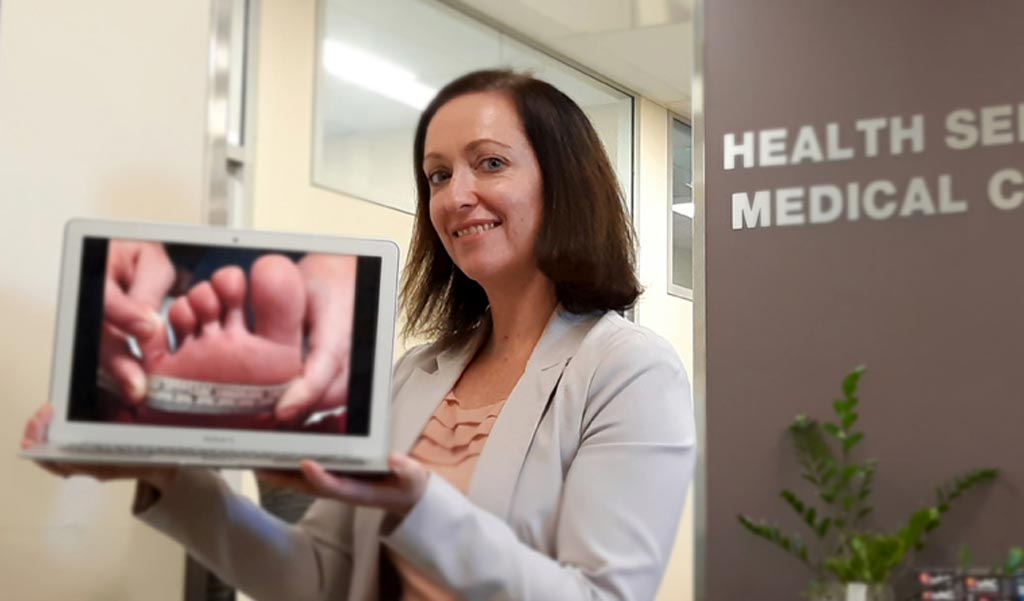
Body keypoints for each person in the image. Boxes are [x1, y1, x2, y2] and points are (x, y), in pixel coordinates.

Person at [23, 69, 695, 600]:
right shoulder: (415, 373)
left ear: (564, 185)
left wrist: (416, 502)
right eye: (437, 175)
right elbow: (315, 579)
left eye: (489, 164)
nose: (456, 195)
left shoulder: (629, 371)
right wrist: (169, 477)